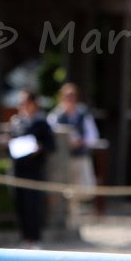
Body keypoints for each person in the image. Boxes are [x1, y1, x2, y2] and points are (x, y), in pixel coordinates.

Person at [7, 90, 55, 249]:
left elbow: (52, 146)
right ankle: (25, 238)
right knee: (20, 206)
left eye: (25, 102)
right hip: (18, 170)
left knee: (34, 206)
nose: (22, 106)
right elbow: (9, 144)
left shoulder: (42, 123)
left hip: (35, 171)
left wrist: (39, 148)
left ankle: (35, 239)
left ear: (34, 104)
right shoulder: (15, 122)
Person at [47, 83, 100, 223]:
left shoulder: (83, 113)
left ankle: (73, 211)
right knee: (65, 190)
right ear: (61, 97)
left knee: (87, 189)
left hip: (81, 158)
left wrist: (81, 142)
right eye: (67, 96)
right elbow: (50, 136)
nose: (69, 98)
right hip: (64, 160)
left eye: (72, 96)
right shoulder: (55, 115)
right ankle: (71, 217)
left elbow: (93, 136)